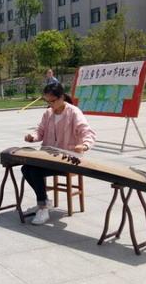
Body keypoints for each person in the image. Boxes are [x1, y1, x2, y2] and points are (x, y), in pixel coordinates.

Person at [22, 81, 96, 225]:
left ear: (61, 97)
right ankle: (44, 201)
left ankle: (43, 207)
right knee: (26, 169)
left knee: (35, 171)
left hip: (68, 158)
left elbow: (87, 132)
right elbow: (40, 131)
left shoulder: (73, 112)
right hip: (50, 156)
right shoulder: (48, 113)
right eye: (47, 101)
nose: (50, 105)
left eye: (53, 101)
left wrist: (84, 145)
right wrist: (32, 137)